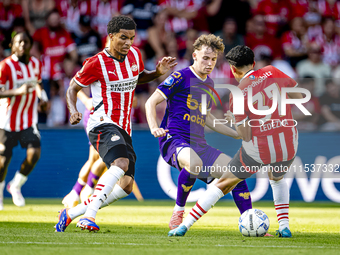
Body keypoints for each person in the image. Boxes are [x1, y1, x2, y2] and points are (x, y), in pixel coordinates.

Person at [55, 15, 176, 232]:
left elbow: (138, 77)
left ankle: (71, 213)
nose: (128, 42)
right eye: (123, 37)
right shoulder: (96, 62)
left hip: (124, 127)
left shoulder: (135, 55)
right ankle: (88, 217)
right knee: (120, 163)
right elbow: (73, 87)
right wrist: (73, 110)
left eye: (131, 38)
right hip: (102, 123)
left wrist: (157, 73)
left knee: (126, 187)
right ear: (110, 36)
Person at [168, 45, 303, 238]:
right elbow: (298, 96)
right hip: (289, 143)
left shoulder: (237, 94)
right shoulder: (273, 71)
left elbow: (245, 135)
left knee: (222, 183)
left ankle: (184, 226)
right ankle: (284, 227)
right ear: (254, 63)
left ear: (233, 69)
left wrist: (235, 123)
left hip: (260, 149)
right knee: (277, 178)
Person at [145, 34, 252, 230]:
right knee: (194, 163)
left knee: (237, 173)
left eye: (213, 59)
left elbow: (208, 119)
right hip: (174, 139)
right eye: (205, 58)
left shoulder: (209, 84)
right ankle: (178, 211)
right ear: (195, 56)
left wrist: (235, 133)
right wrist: (154, 127)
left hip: (198, 144)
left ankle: (250, 222)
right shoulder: (180, 76)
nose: (209, 63)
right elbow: (150, 102)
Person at [0, 32, 48, 210]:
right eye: (18, 42)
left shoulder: (36, 63)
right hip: (7, 121)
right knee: (3, 161)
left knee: (34, 153)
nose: (22, 45)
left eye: (25, 42)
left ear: (30, 44)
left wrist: (43, 99)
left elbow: (39, 84)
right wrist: (17, 92)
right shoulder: (5, 66)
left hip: (29, 119)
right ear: (12, 45)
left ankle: (16, 185)